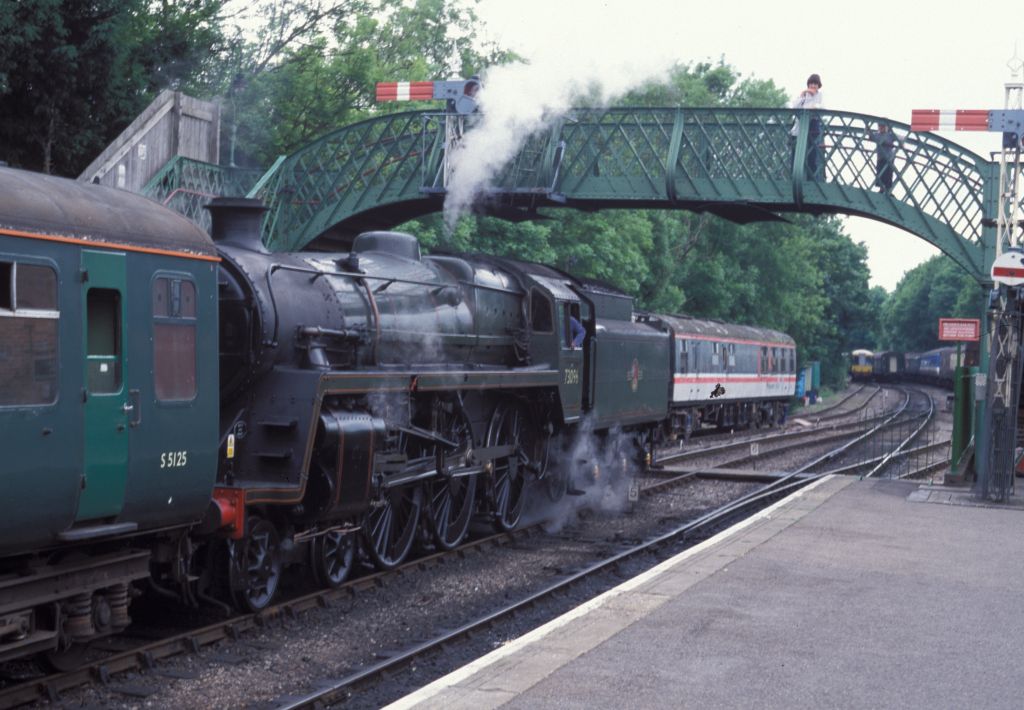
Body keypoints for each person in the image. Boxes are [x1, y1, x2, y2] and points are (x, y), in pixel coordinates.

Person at [790, 74, 824, 180]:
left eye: (815, 84)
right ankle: (794, 178)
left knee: (812, 155)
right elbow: (795, 106)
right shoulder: (804, 95)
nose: (813, 86)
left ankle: (811, 179)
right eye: (811, 83)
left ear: (818, 85)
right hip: (799, 129)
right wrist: (802, 95)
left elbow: (821, 107)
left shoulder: (820, 95)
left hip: (812, 127)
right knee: (795, 155)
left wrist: (811, 106)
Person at [868, 122, 896, 192]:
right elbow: (870, 137)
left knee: (888, 174)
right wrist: (867, 129)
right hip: (880, 158)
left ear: (887, 127)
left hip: (889, 158)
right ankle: (882, 189)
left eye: (883, 126)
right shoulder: (877, 135)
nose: (881, 127)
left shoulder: (890, 135)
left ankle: (887, 190)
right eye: (880, 126)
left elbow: (901, 139)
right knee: (880, 173)